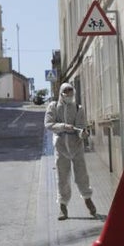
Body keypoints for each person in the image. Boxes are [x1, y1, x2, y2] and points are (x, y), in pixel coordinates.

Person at [44, 83, 97, 220]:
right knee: (62, 177)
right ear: (61, 94)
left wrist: (82, 134)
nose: (69, 95)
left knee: (82, 175)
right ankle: (63, 206)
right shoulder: (53, 107)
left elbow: (80, 127)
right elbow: (48, 124)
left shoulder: (78, 108)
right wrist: (62, 126)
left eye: (71, 93)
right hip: (61, 147)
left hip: (76, 147)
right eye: (66, 93)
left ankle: (87, 199)